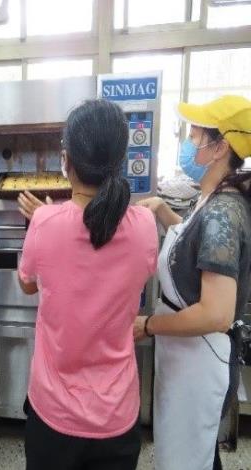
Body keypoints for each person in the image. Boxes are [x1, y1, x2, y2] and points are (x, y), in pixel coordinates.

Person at [18, 99, 158, 470]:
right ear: (121, 158)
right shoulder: (144, 227)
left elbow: (28, 285)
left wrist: (44, 220)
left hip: (54, 415)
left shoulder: (45, 223)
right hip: (117, 415)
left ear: (66, 160)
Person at [134, 95, 251, 470]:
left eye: (196, 133)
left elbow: (215, 313)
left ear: (221, 147)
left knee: (186, 460)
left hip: (199, 359)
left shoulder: (223, 213)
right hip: (185, 353)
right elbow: (193, 245)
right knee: (192, 452)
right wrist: (164, 211)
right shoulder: (213, 196)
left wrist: (150, 325)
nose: (189, 140)